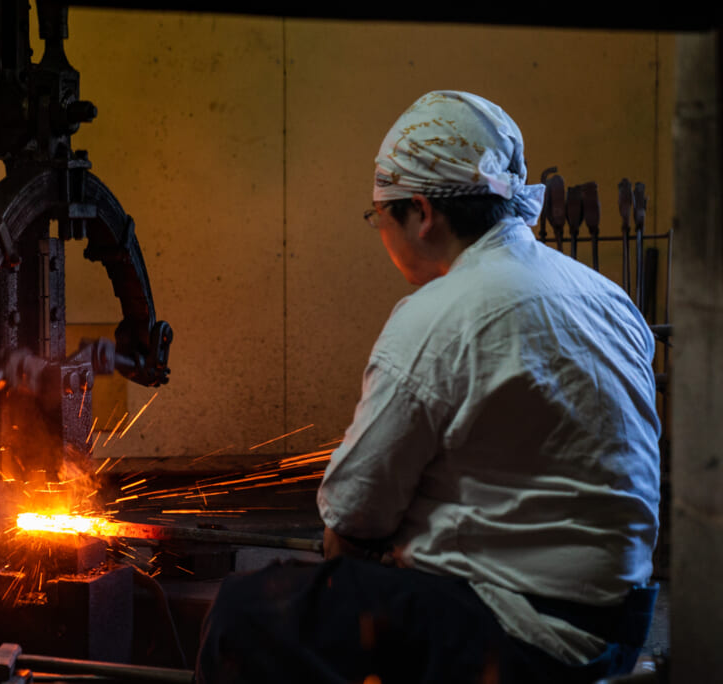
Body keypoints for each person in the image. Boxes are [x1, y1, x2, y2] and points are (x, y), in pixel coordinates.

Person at [195, 91, 660, 684]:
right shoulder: (604, 294)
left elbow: (353, 516)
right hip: (621, 625)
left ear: (420, 211)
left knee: (246, 611)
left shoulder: (439, 314)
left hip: (525, 634)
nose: (380, 232)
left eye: (379, 217)